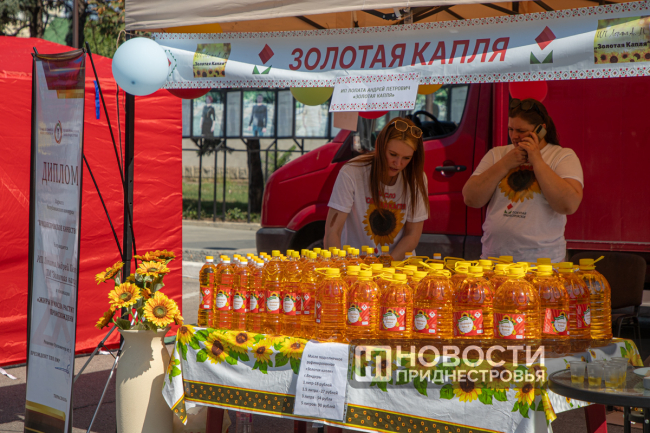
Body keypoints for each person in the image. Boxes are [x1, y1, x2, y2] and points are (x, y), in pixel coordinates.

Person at [462, 98, 584, 263]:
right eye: (510, 129)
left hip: (542, 263)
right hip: (495, 260)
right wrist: (505, 164)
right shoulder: (497, 154)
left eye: (521, 131)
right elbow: (471, 198)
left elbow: (568, 205)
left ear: (541, 129)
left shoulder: (562, 156)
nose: (514, 136)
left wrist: (537, 161)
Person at [324, 117, 429, 260]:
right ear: (380, 147)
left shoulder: (417, 178)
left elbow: (412, 235)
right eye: (393, 154)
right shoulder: (352, 172)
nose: (398, 163)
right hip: (355, 265)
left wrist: (387, 263)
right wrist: (338, 264)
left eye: (406, 158)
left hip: (397, 266)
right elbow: (332, 232)